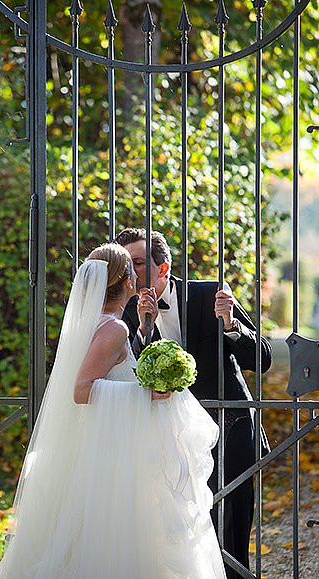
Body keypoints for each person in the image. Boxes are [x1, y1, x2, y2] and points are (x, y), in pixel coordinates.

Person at [0, 243, 226, 579]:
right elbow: (82, 389)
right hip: (115, 457)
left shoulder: (96, 323)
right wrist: (146, 394)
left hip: (106, 447)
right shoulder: (114, 329)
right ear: (128, 281)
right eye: (133, 268)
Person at [115, 228, 272, 579]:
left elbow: (262, 359)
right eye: (127, 264)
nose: (130, 273)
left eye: (138, 263)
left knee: (231, 527)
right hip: (168, 440)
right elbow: (130, 375)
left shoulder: (209, 294)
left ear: (164, 269)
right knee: (176, 531)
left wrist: (232, 325)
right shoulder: (122, 312)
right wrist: (144, 328)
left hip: (228, 427)